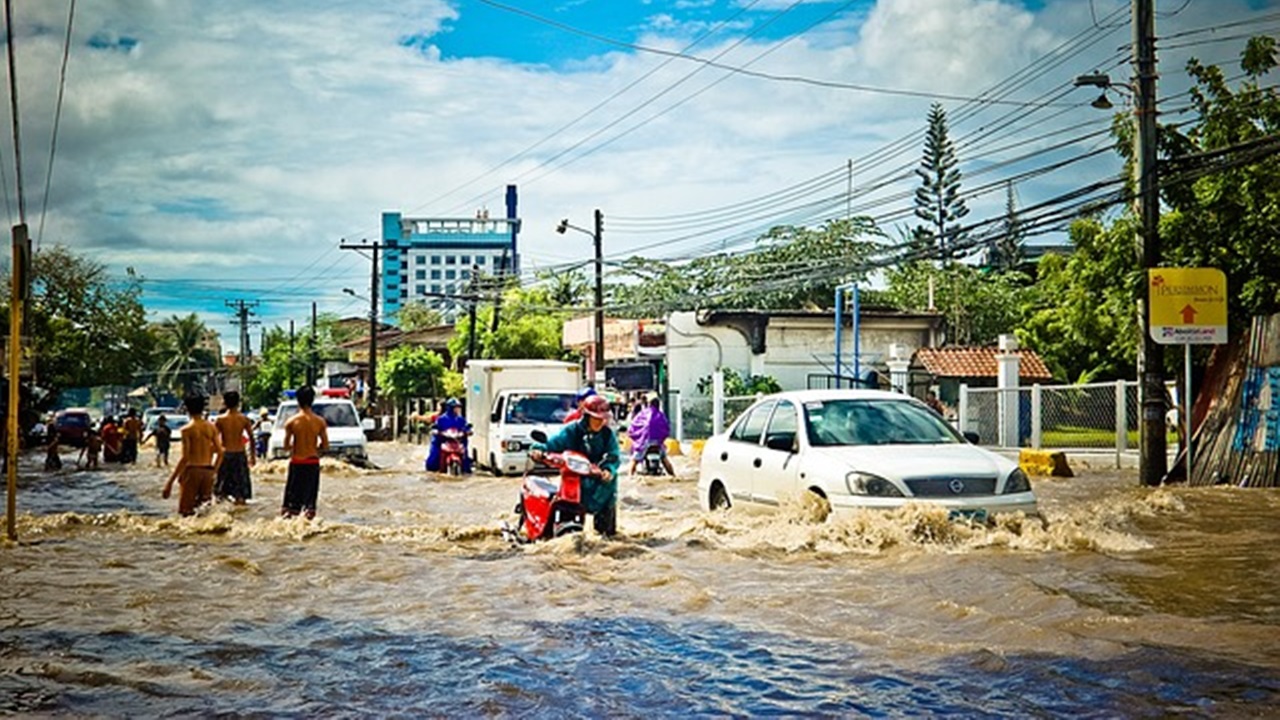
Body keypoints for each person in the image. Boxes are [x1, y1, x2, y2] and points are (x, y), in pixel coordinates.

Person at [529, 394, 621, 537]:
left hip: (601, 483)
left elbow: (613, 456)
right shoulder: (572, 431)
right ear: (587, 416)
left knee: (608, 536)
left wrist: (609, 470)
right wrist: (538, 449)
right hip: (577, 480)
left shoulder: (608, 435)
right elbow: (553, 444)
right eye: (596, 418)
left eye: (602, 419)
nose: (600, 422)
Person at [163, 394, 223, 517]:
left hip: (192, 471)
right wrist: (214, 470)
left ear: (187, 409)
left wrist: (170, 482)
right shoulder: (211, 427)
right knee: (204, 512)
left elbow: (185, 458)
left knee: (185, 512)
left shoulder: (186, 430)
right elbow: (221, 452)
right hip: (207, 471)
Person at [281, 386, 329, 520]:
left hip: (297, 462)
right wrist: (315, 449)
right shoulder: (320, 422)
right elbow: (325, 446)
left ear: (298, 400)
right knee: (309, 505)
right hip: (312, 462)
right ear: (312, 400)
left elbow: (285, 446)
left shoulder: (291, 422)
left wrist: (295, 447)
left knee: (290, 507)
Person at [214, 391, 256, 505]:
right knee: (241, 493)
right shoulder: (244, 419)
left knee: (221, 491)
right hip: (239, 454)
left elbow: (213, 439)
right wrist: (252, 456)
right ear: (238, 403)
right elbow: (252, 438)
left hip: (225, 454)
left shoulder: (220, 419)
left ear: (225, 403)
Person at [627, 394, 676, 477]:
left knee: (634, 460)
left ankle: (630, 475)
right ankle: (673, 475)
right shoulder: (661, 415)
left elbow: (633, 427)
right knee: (664, 459)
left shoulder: (642, 414)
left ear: (649, 404)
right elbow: (666, 429)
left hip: (643, 442)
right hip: (657, 443)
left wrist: (633, 435)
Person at [425, 398, 471, 472]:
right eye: (456, 407)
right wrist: (436, 431)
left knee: (465, 456)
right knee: (434, 455)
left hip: (457, 441)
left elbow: (466, 427)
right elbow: (435, 427)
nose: (458, 409)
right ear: (450, 408)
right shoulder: (441, 419)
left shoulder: (461, 419)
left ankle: (466, 469)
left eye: (458, 407)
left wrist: (468, 431)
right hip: (443, 440)